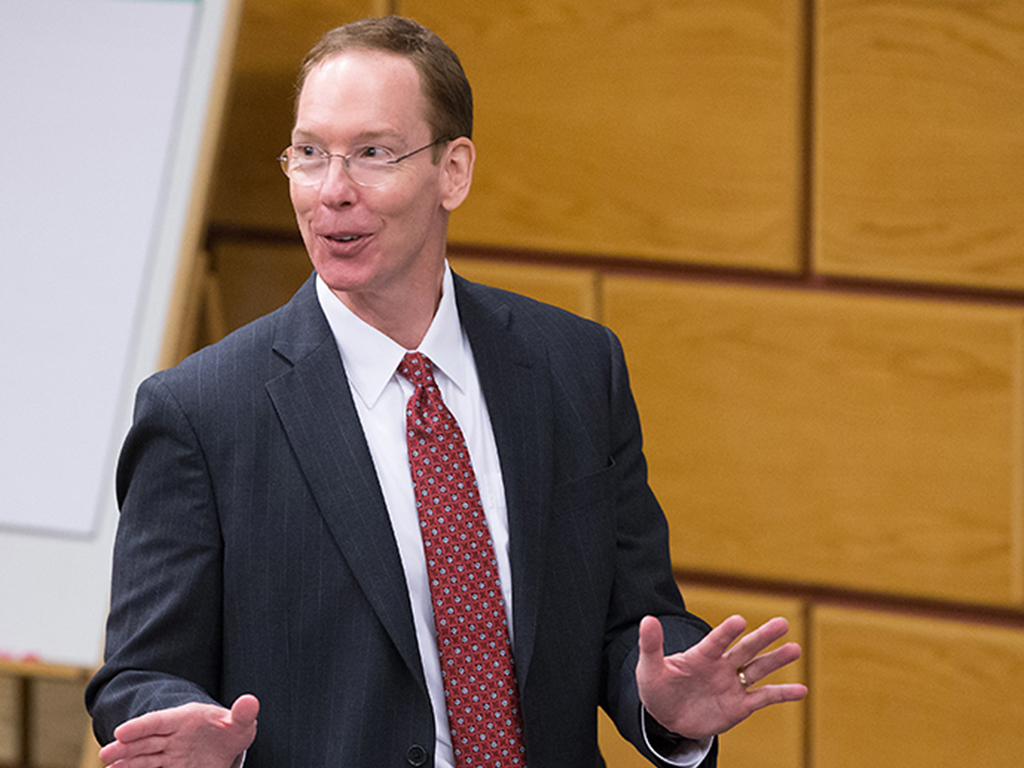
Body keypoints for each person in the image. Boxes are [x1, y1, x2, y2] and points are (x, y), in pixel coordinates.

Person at [86, 15, 806, 768]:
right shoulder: (201, 412)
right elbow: (138, 674)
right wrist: (189, 729)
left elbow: (637, 621)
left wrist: (669, 709)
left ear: (453, 172)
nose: (332, 192)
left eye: (371, 154)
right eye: (309, 154)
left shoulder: (575, 366)